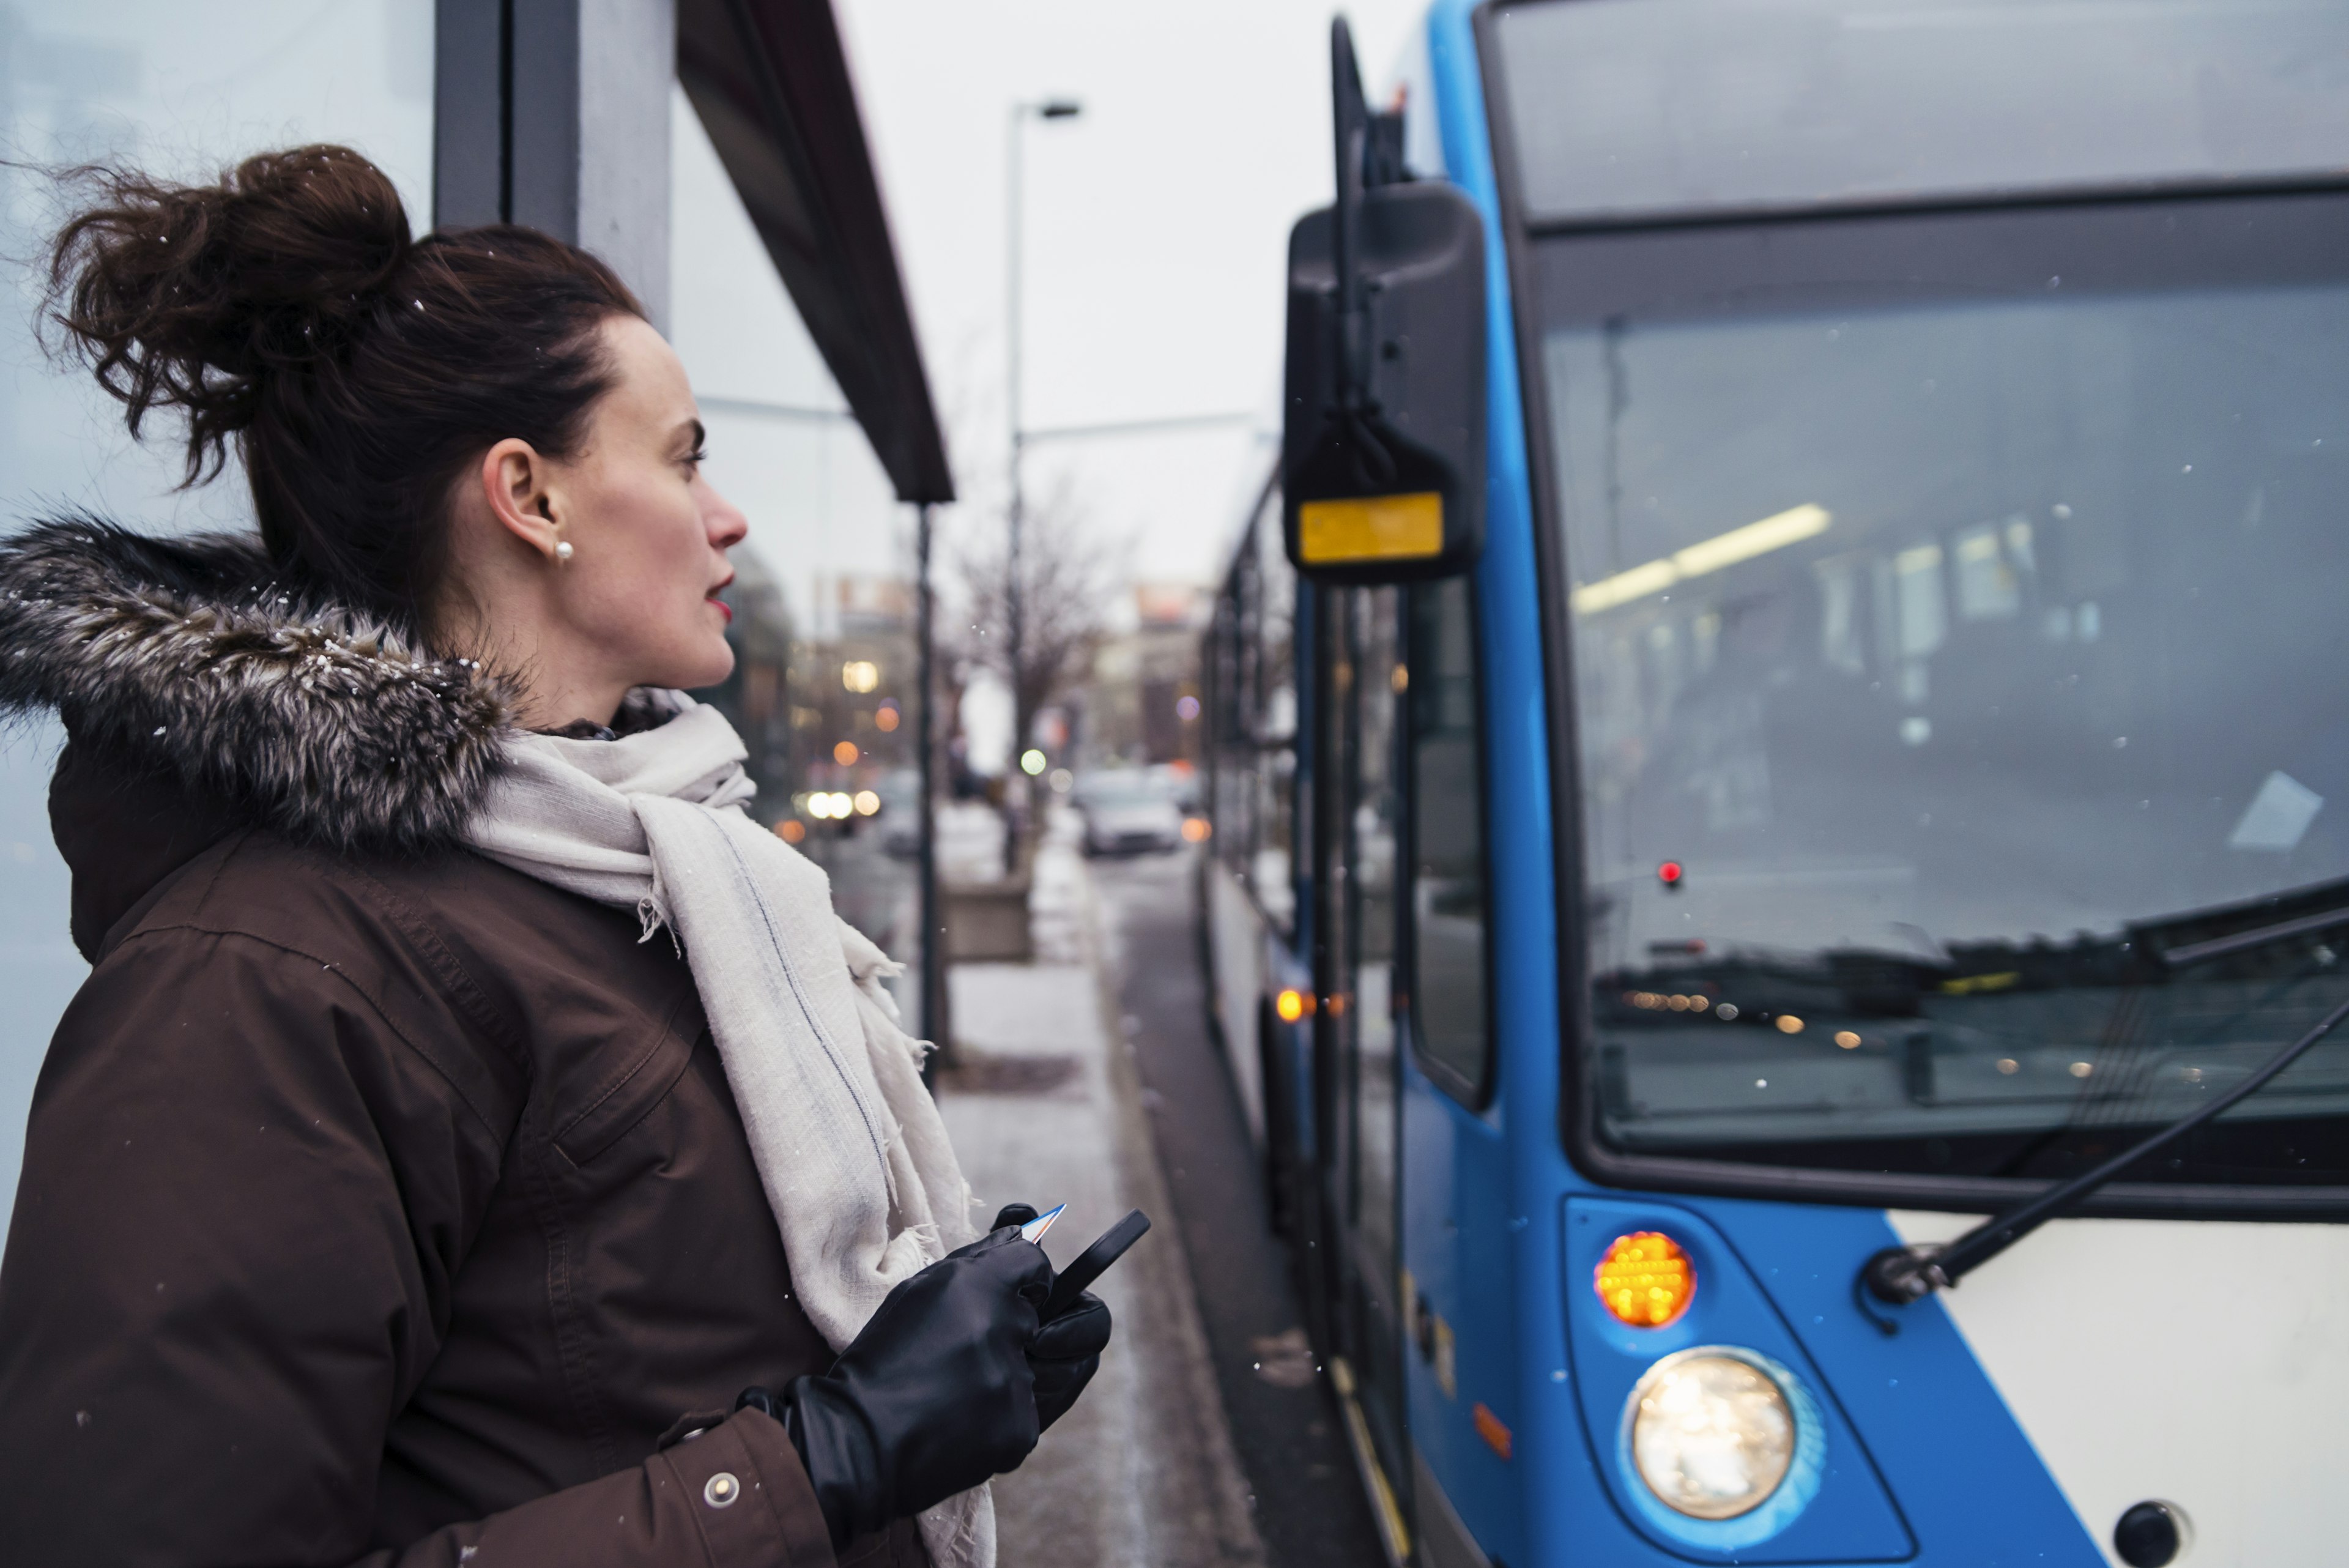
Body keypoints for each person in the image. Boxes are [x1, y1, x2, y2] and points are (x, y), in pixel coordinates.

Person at [0, 144, 1110, 1567]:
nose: (730, 515)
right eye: (684, 454)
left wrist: (938, 1377)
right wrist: (830, 1457)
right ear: (531, 496)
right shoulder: (257, 978)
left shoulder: (635, 871)